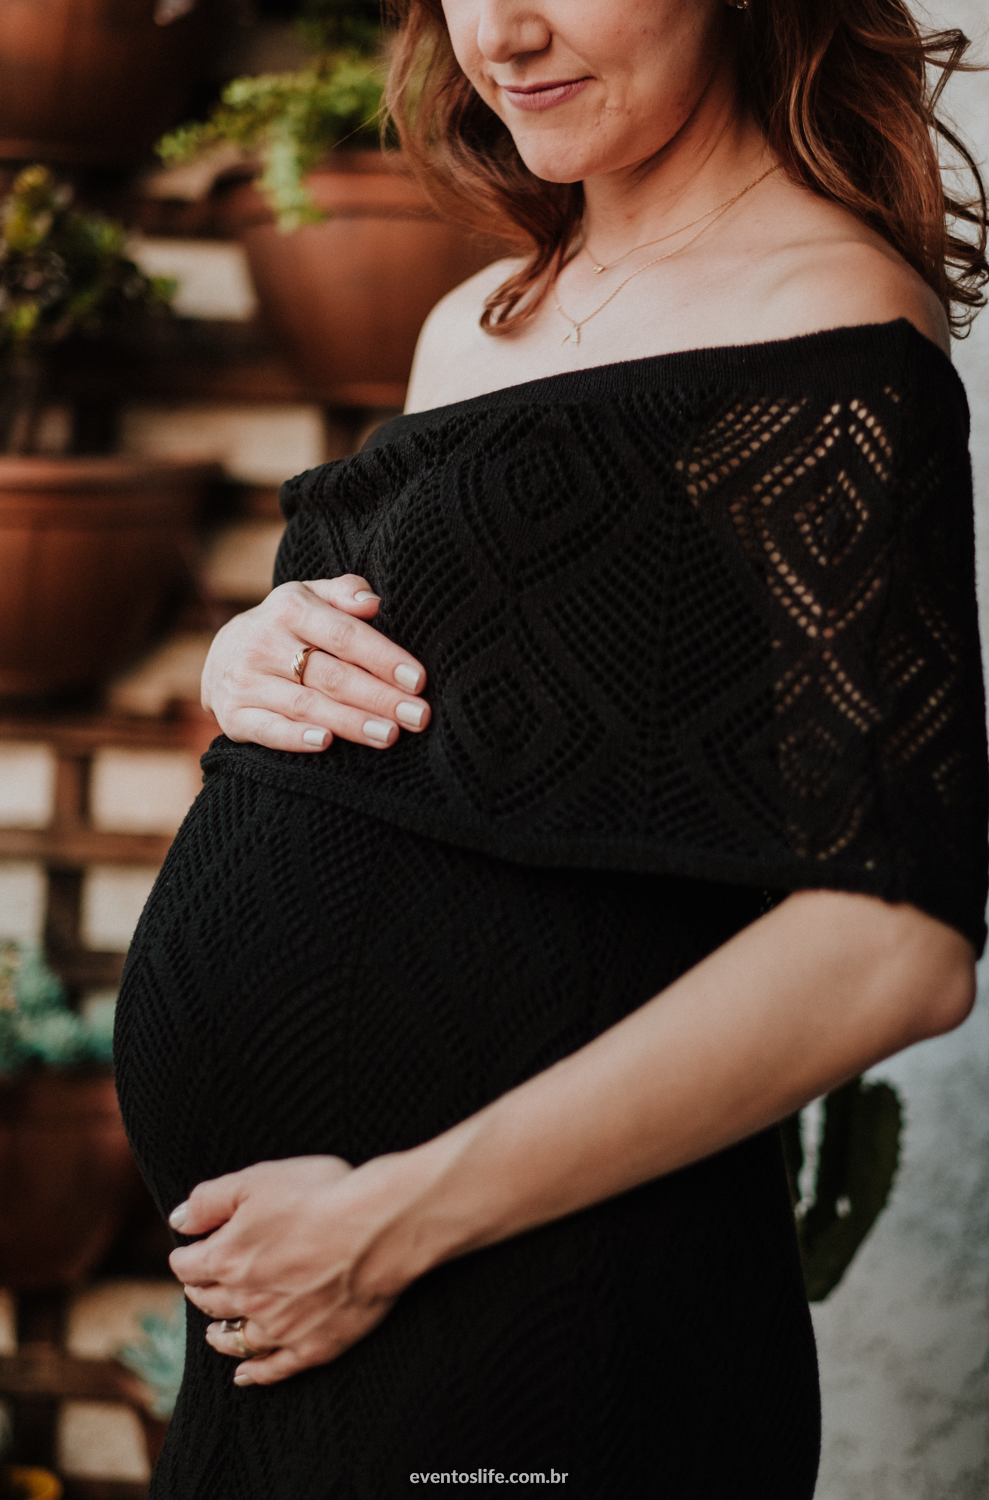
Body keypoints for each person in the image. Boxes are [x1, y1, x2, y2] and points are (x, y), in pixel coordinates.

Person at [113, 1, 989, 1495]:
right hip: (293, 1315)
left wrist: (394, 1221)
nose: (502, 33)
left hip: (528, 1315)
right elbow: (493, 733)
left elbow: (891, 939)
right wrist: (247, 660)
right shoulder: (477, 322)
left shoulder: (827, 321)